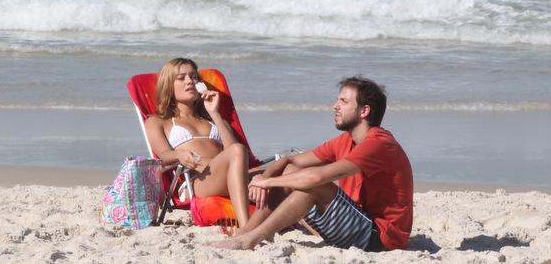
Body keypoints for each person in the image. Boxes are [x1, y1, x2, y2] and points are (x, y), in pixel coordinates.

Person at [211, 75, 413, 251]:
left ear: (364, 111)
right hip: (354, 222)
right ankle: (245, 232)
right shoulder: (347, 140)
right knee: (292, 171)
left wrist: (267, 183)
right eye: (337, 100)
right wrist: (265, 176)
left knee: (314, 185)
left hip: (380, 238)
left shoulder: (378, 143)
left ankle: (251, 240)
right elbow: (290, 159)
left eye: (343, 101)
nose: (335, 106)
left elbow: (316, 177)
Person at [145, 58, 252, 227]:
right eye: (181, 78)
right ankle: (247, 228)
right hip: (196, 182)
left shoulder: (215, 120)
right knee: (239, 150)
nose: (190, 81)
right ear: (168, 85)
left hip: (230, 174)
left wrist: (214, 113)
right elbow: (162, 157)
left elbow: (234, 153)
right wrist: (178, 154)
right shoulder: (158, 121)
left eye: (194, 77)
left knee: (287, 167)